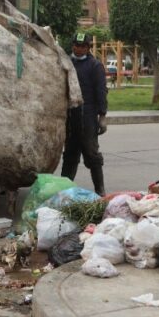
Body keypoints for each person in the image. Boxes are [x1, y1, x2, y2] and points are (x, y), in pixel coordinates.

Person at [61, 31, 109, 195]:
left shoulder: (95, 66)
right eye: (75, 45)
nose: (78, 49)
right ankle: (63, 190)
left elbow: (101, 91)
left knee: (91, 154)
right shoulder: (66, 62)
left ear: (88, 48)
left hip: (88, 117)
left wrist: (102, 116)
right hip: (70, 116)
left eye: (82, 46)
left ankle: (100, 189)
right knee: (70, 155)